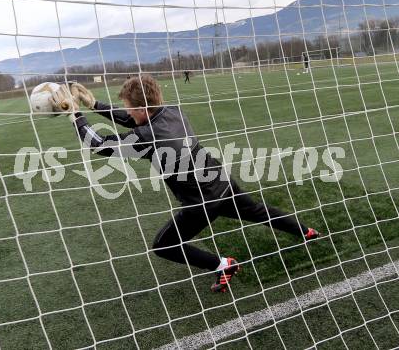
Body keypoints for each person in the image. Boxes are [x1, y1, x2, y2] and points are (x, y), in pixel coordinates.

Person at [51, 76, 321, 293]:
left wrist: (75, 115)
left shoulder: (146, 136)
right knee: (259, 212)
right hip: (222, 182)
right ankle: (307, 232)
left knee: (164, 245)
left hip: (200, 204)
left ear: (142, 108)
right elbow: (134, 118)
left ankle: (223, 265)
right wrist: (95, 105)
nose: (129, 113)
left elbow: (99, 146)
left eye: (132, 108)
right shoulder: (171, 111)